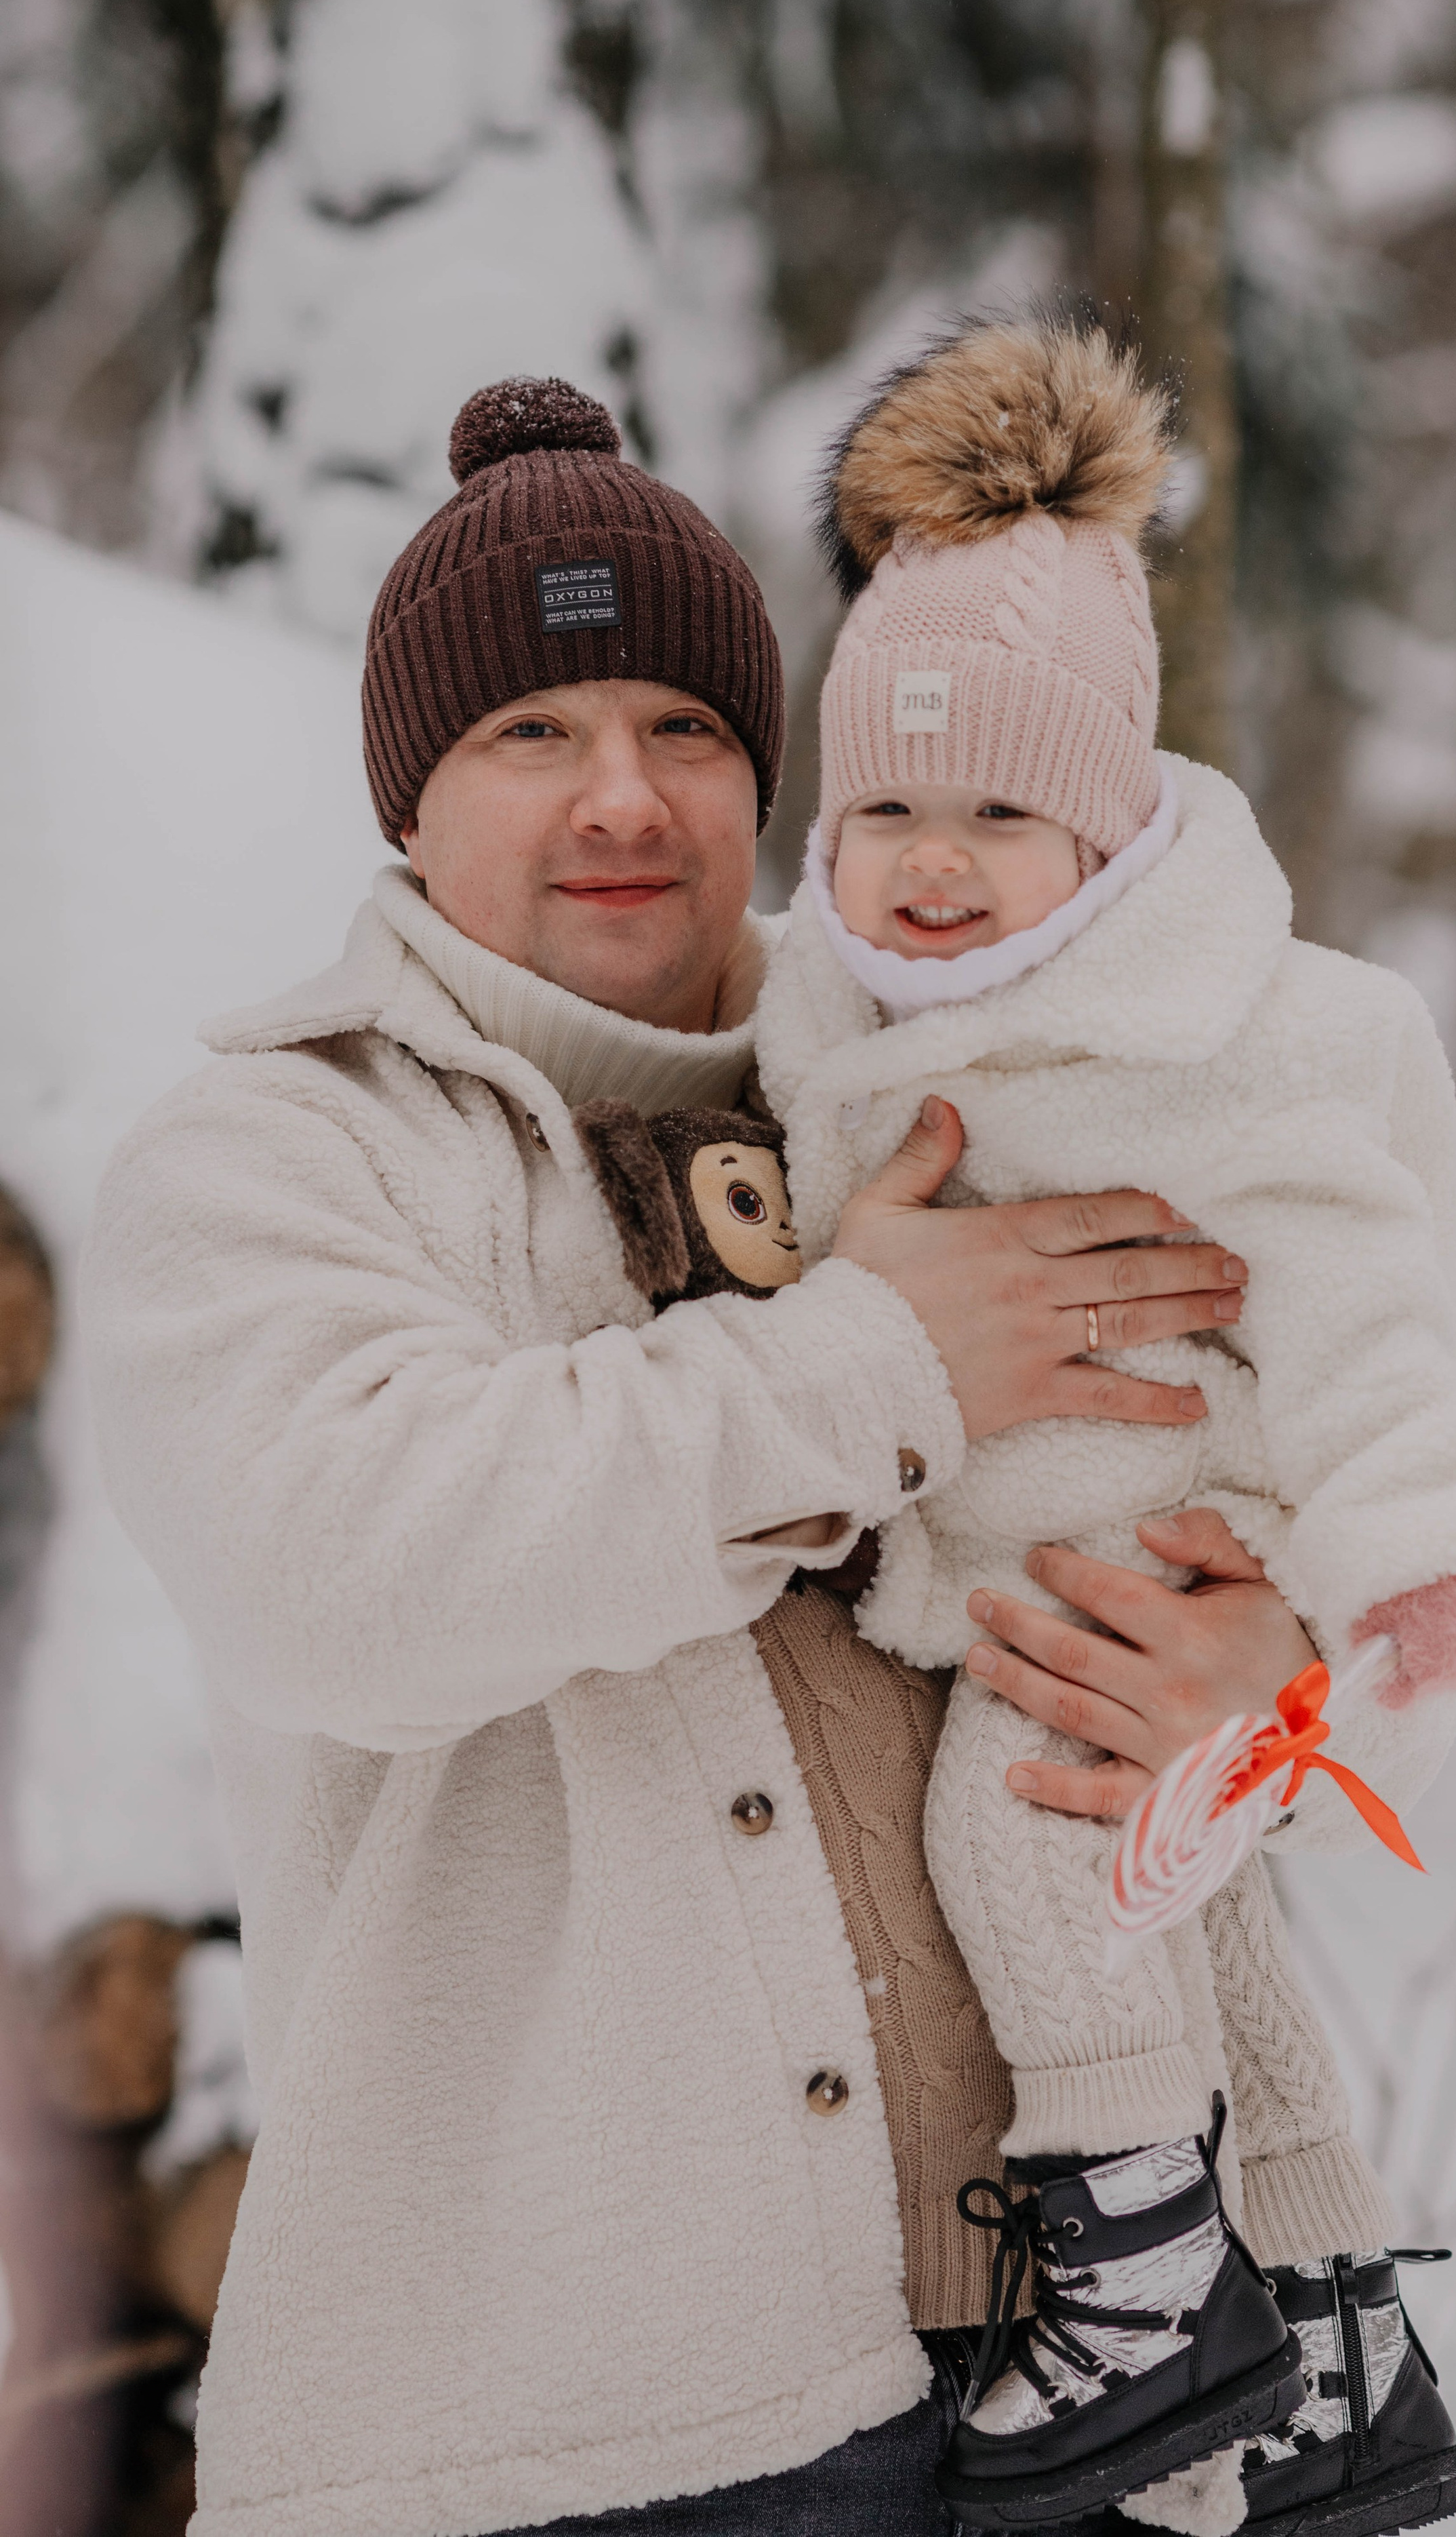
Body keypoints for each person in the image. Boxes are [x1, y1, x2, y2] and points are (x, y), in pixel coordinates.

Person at [82, 376, 1327, 2537]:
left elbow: (1275, 1456)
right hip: (573, 2426)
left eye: (681, 725)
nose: (621, 797)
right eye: (530, 735)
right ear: (412, 796)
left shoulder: (953, 1076)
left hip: (1080, 2354)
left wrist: (1275, 1677)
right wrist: (872, 1362)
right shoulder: (277, 1153)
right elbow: (342, 1572)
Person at [755, 313, 1456, 2530]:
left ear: (1101, 829)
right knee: (1203, 1927)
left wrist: (1418, 1545)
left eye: (998, 810)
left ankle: (1140, 2256)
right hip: (1024, 1559)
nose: (928, 860)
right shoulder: (820, 995)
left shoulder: (1220, 1036)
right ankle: (1329, 2324)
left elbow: (1371, 1304)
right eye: (888, 804)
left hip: (1121, 1574)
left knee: (1028, 1827)